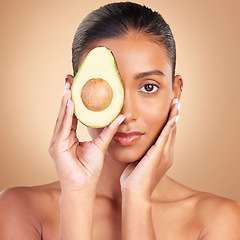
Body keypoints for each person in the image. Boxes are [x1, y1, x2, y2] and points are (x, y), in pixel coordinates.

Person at [0, 2, 240, 239]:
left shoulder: (217, 220)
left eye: (148, 87)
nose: (126, 113)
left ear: (176, 92)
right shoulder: (19, 209)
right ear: (74, 92)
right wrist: (77, 193)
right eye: (102, 88)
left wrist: (137, 198)